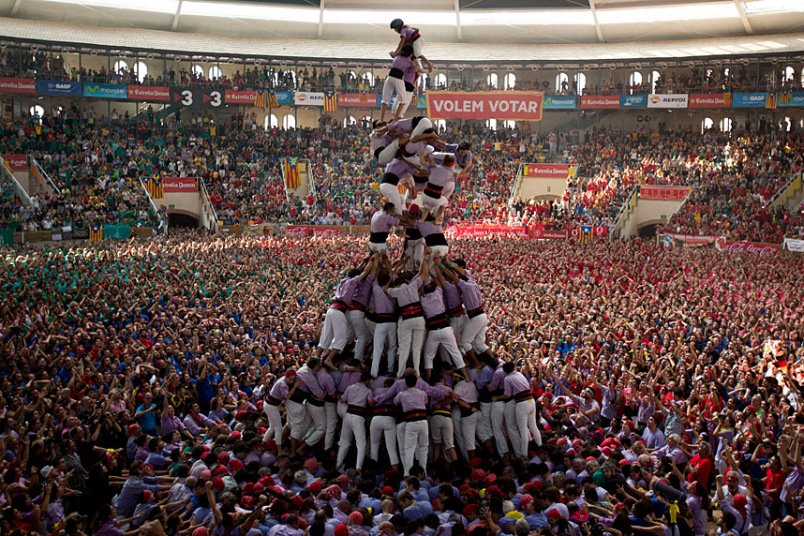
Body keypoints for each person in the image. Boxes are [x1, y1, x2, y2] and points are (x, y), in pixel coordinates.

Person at [394, 371, 430, 476]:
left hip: (411, 421)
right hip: (423, 420)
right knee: (424, 447)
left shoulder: (402, 394)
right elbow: (426, 402)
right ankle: (424, 472)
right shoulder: (422, 393)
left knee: (409, 448)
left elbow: (395, 401)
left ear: (405, 383)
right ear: (416, 382)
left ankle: (407, 473)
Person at [336, 371, 373, 471]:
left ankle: (337, 465)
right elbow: (371, 403)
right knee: (361, 444)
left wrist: (338, 396)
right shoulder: (368, 391)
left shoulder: (350, 387)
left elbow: (342, 400)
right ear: (368, 380)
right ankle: (358, 467)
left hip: (348, 415)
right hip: (358, 417)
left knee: (344, 442)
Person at [380, 45, 424, 122]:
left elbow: (391, 53)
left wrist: (397, 52)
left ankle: (382, 119)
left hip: (391, 77)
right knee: (401, 103)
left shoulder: (398, 56)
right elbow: (419, 71)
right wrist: (414, 64)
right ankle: (395, 120)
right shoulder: (410, 61)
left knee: (385, 101)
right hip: (399, 79)